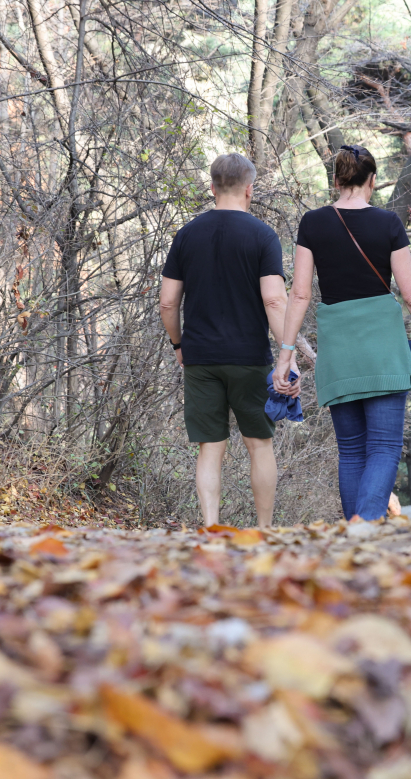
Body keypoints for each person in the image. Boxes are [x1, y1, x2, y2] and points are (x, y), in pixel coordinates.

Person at [273, 144, 411, 521]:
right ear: (372, 180)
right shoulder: (388, 224)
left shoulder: (313, 223)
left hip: (339, 352)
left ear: (336, 180)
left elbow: (300, 293)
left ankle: (353, 538)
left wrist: (286, 354)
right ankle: (365, 528)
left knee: (352, 451)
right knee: (384, 447)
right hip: (383, 349)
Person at [160, 152, 294, 528]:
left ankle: (210, 528)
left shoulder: (186, 234)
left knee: (210, 448)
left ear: (212, 187)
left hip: (200, 357)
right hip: (250, 357)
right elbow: (274, 299)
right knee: (260, 444)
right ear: (250, 189)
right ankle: (265, 531)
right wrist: (287, 353)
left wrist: (178, 345)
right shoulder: (263, 236)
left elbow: (168, 302)